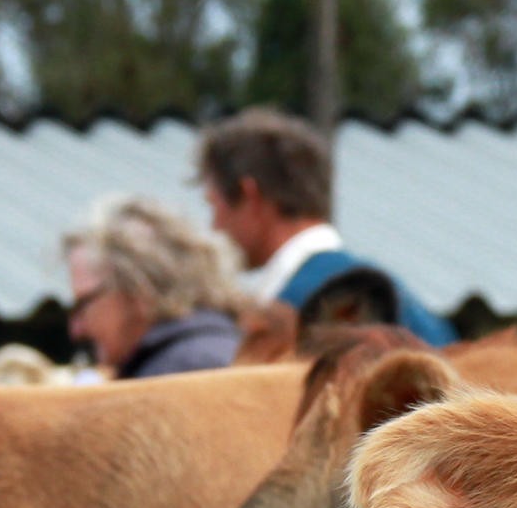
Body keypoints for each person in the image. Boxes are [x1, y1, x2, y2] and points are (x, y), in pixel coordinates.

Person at [196, 108, 456, 346]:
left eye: (214, 205)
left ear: (250, 196)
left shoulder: (299, 309)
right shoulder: (400, 297)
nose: (214, 226)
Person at [63, 195, 244, 379]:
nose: (76, 329)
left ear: (137, 286)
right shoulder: (219, 350)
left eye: (83, 305)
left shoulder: (179, 371)